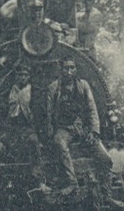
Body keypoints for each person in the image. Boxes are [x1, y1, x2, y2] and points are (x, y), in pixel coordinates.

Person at [47, 58, 115, 194]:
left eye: (72, 68)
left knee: (105, 158)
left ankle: (107, 193)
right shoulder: (54, 87)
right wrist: (50, 131)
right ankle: (72, 182)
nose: (69, 72)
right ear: (60, 70)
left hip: (82, 128)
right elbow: (49, 113)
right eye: (66, 68)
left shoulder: (83, 85)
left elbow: (92, 109)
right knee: (60, 143)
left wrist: (94, 132)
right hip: (64, 128)